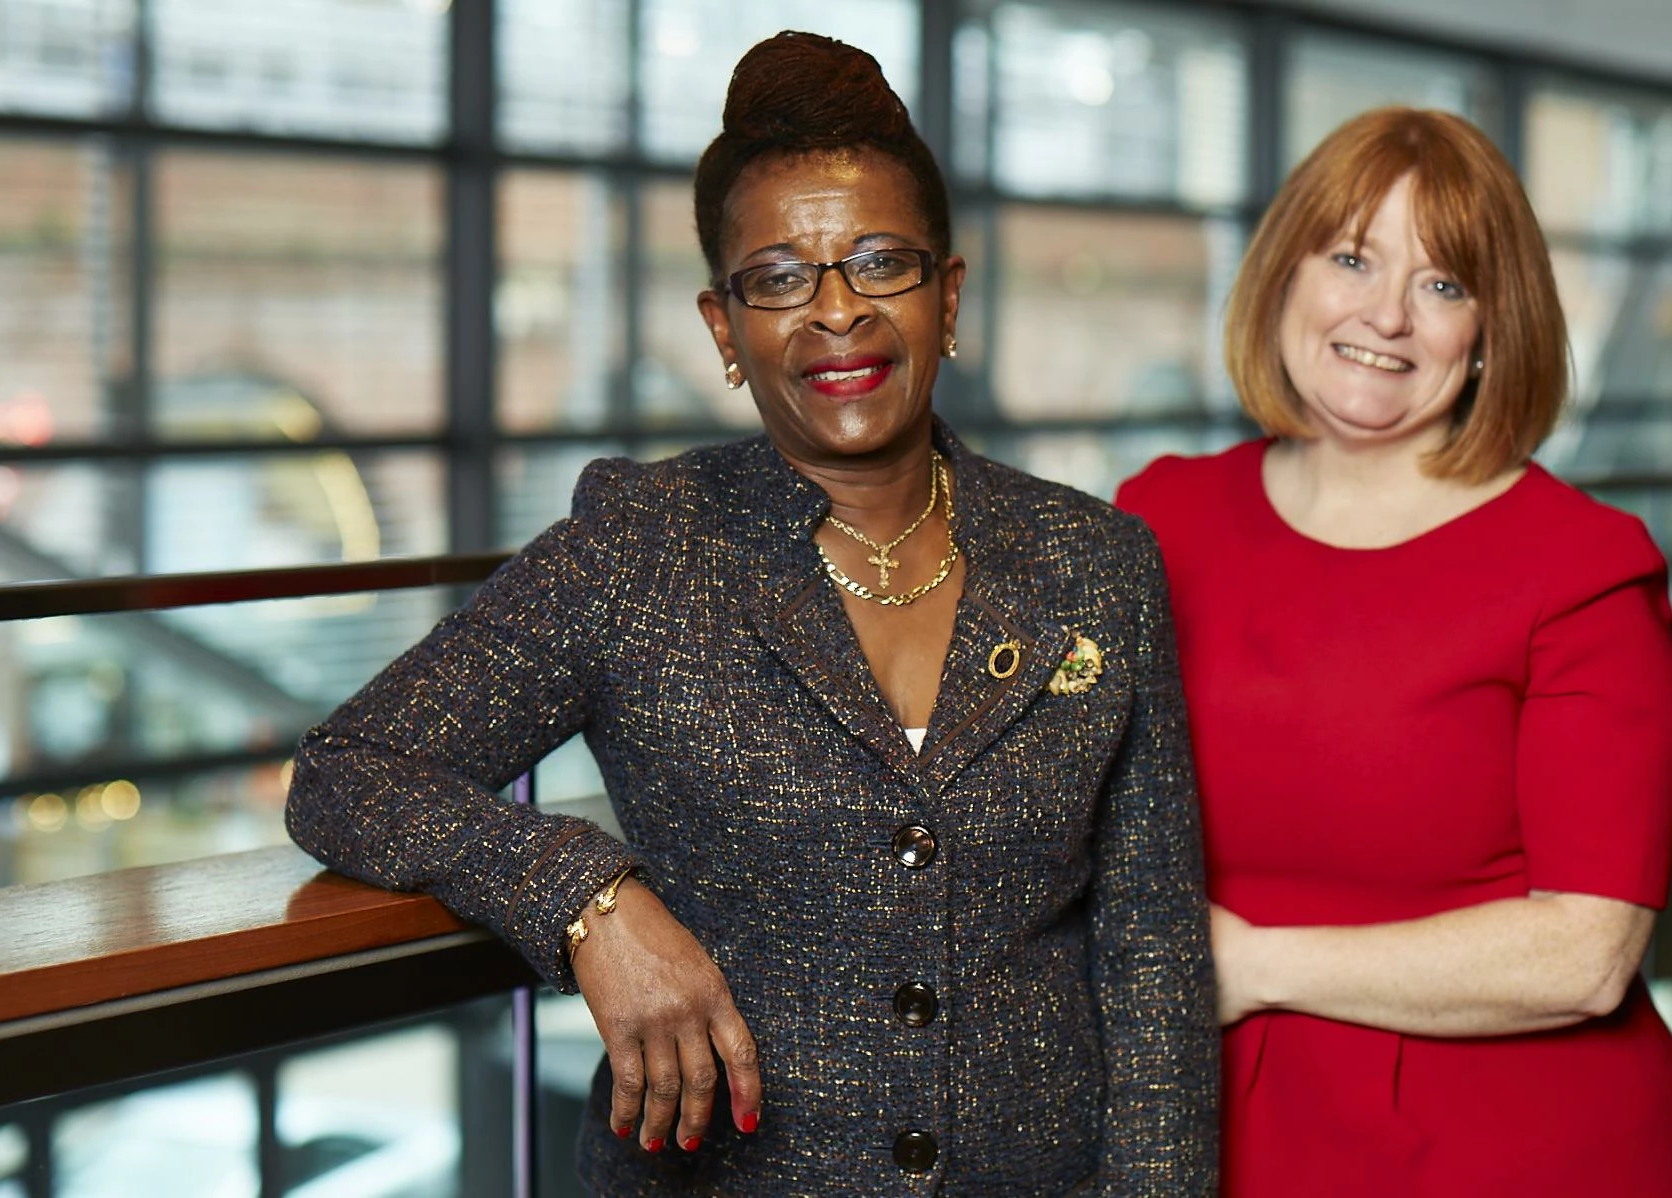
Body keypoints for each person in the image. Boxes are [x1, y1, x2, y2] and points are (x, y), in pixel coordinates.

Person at [285, 32, 1216, 1197]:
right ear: (725, 327)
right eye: (778, 277)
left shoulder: (1096, 560)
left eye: (881, 263)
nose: (836, 312)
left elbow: (1152, 955)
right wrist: (587, 896)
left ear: (948, 293)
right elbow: (347, 770)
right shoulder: (642, 545)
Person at [1116, 107, 1672, 1195]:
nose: (1385, 314)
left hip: (1506, 1152)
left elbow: (1586, 952)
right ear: (1284, 272)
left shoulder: (1581, 567)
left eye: (1442, 284)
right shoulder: (1159, 520)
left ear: (1488, 329)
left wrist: (1248, 963)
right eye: (1351, 257)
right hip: (1207, 1131)